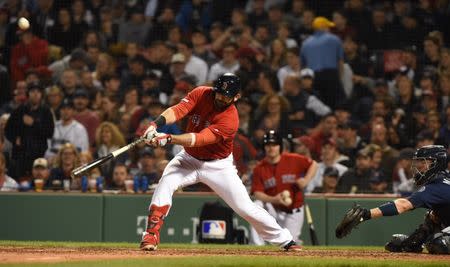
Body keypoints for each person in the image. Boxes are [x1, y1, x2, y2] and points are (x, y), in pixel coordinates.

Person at [140, 73, 302, 252]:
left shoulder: (230, 119)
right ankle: (151, 234)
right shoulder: (202, 93)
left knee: (245, 208)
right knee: (166, 183)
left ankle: (286, 240)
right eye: (219, 92)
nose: (221, 97)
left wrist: (168, 139)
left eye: (227, 95)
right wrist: (155, 125)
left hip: (218, 166)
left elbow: (200, 139)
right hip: (188, 158)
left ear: (236, 97)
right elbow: (178, 110)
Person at [336, 145, 450, 254]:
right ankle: (413, 243)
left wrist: (366, 214)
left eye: (425, 162)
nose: (419, 166)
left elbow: (403, 205)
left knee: (438, 244)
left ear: (437, 163)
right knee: (433, 216)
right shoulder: (442, 181)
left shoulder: (438, 185)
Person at [250, 130, 318, 245]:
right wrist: (274, 200)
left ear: (280, 146)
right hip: (273, 210)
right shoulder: (259, 168)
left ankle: (295, 242)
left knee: (289, 244)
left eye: (274, 145)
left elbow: (313, 164)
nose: (271, 148)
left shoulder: (293, 159)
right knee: (257, 204)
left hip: (293, 211)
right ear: (264, 147)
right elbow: (257, 193)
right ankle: (256, 245)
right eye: (268, 145)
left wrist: (305, 180)